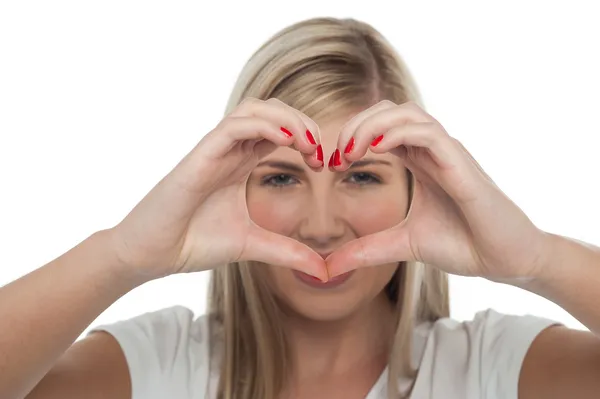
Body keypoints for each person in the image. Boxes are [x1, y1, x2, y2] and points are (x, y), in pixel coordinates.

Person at [2, 16, 600, 399]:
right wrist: (122, 256)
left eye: (362, 176)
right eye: (283, 178)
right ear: (232, 189)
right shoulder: (157, 367)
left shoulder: (496, 368)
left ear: (418, 191)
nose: (321, 227)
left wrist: (537, 258)